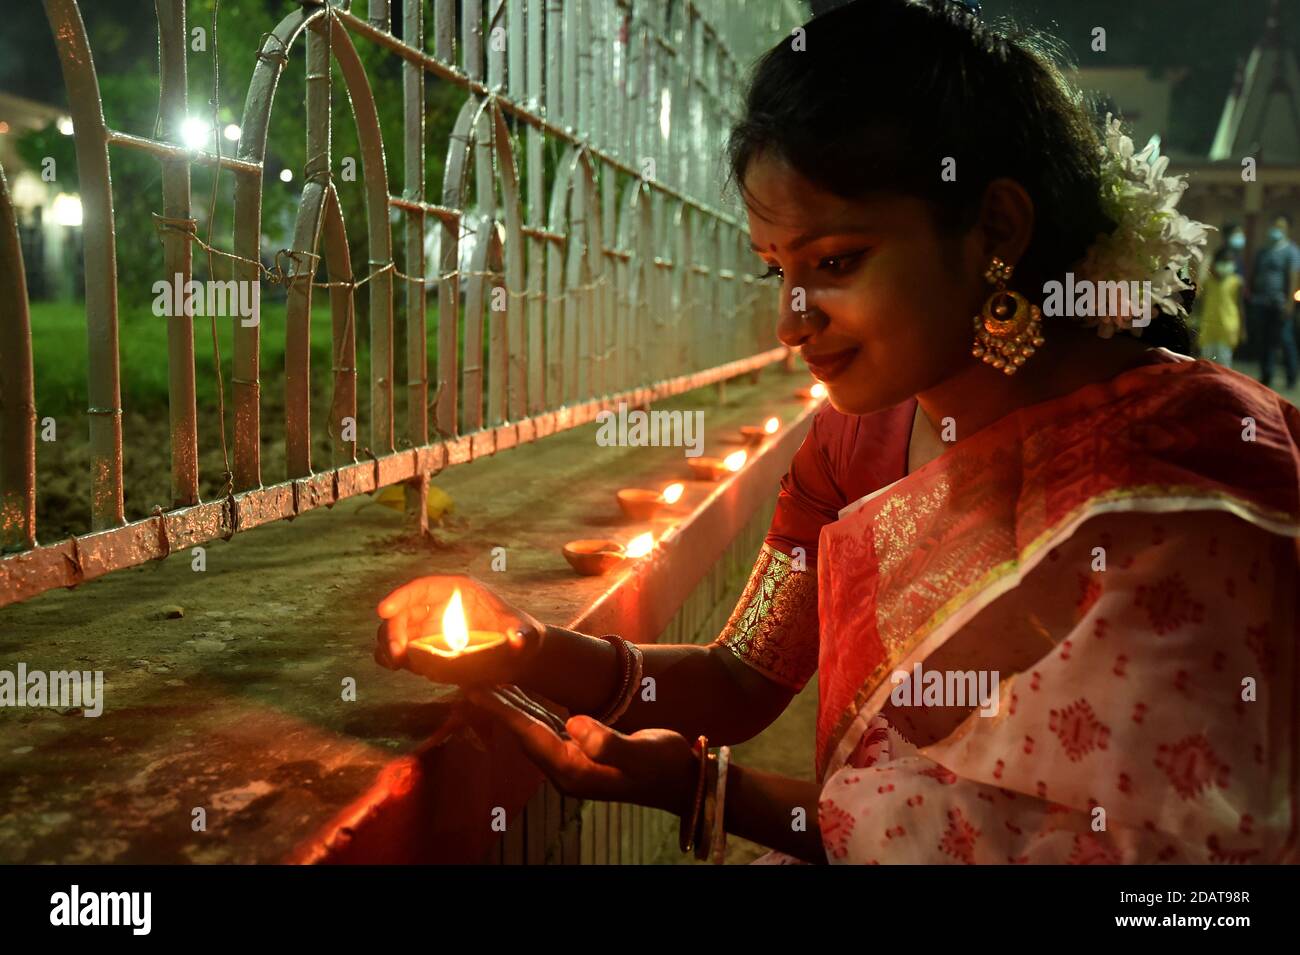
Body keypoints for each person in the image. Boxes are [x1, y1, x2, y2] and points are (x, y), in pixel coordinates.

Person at [375, 0, 1300, 864]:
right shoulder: (854, 443)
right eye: (776, 268)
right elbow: (741, 678)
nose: (790, 319)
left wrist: (709, 790)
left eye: (837, 261)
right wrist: (529, 646)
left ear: (997, 230)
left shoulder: (1185, 471)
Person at [1250, 213, 1300, 390]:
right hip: (1262, 302)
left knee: (1285, 340)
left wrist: (1289, 303)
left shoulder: (1291, 251)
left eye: (1281, 227)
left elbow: (1293, 277)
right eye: (1275, 226)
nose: (1277, 230)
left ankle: (1292, 377)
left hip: (1280, 304)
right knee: (1265, 340)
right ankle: (1266, 375)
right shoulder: (1264, 250)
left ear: (1287, 229)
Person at [1192, 247, 1244, 367]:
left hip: (1227, 328)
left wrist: (1242, 329)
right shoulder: (1207, 282)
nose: (1226, 265)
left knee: (1224, 364)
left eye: (1229, 262)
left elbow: (1240, 307)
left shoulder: (1236, 282)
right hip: (1208, 328)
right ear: (1215, 263)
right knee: (1206, 364)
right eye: (1223, 261)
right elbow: (1199, 301)